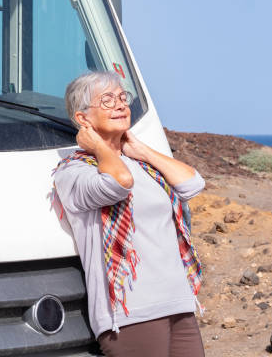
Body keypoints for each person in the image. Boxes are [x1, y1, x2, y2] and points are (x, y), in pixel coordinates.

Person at [53, 71, 206, 357]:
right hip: (132, 313)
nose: (121, 105)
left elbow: (192, 183)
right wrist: (99, 146)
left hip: (177, 302)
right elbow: (118, 184)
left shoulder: (141, 165)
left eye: (123, 98)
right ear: (83, 118)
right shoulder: (74, 171)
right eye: (107, 100)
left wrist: (142, 150)